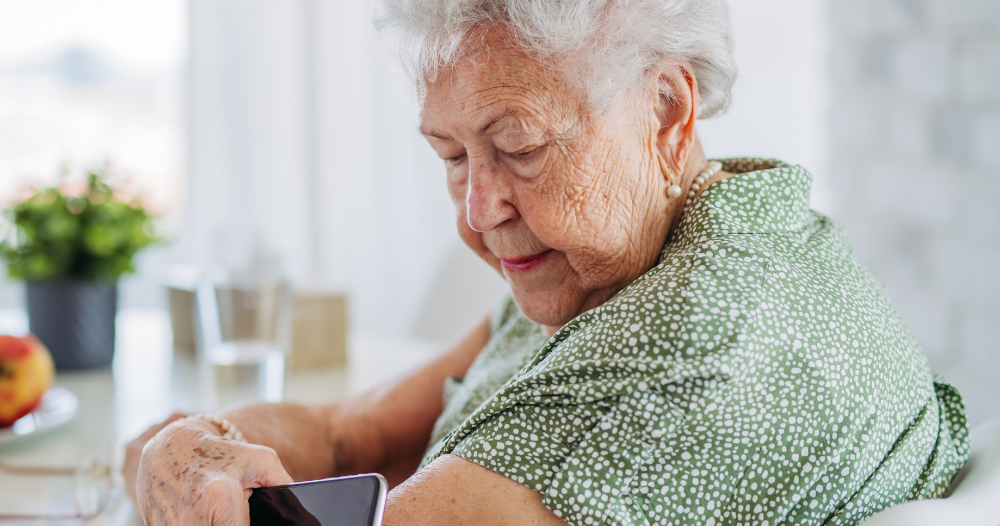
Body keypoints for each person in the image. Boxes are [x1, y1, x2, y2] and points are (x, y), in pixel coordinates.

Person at [126, 0, 970, 524]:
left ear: (666, 108)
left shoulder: (689, 347)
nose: (477, 212)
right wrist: (192, 445)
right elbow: (354, 431)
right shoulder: (628, 254)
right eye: (452, 156)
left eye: (519, 147)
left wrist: (178, 465)